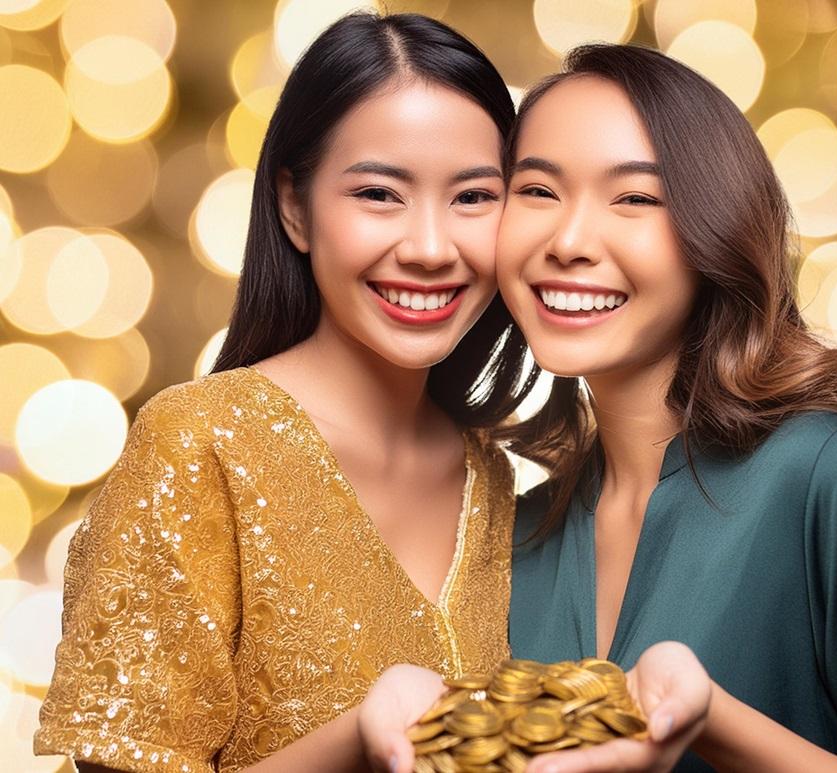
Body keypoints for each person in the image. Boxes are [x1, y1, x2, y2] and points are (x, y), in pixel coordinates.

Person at [34, 12, 539, 773]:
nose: (431, 248)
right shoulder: (200, 444)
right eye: (378, 194)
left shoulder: (494, 479)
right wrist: (360, 731)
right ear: (295, 207)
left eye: (473, 198)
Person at [497, 44, 837, 772]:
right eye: (537, 191)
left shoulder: (829, 474)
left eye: (635, 198)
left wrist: (714, 723)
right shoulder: (514, 539)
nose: (569, 241)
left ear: (715, 229)